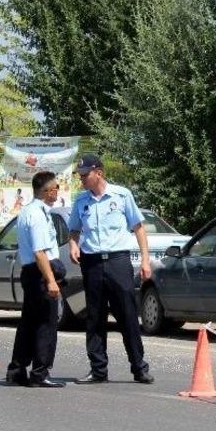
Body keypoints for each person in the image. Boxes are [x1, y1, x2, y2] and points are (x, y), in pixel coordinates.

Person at [67, 154, 155, 385]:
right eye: (80, 176)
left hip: (118, 261)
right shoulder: (80, 201)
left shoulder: (122, 195)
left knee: (127, 315)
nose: (82, 179)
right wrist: (73, 244)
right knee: (95, 317)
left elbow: (139, 228)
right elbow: (74, 230)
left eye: (85, 175)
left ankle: (139, 367)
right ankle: (98, 369)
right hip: (92, 262)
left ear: (99, 172)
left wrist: (145, 260)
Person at [5, 171, 65, 388]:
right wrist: (50, 280)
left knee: (28, 324)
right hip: (40, 273)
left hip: (31, 273)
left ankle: (17, 369)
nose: (57, 191)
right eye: (55, 187)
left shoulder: (27, 211)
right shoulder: (38, 215)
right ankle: (40, 372)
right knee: (45, 325)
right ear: (48, 191)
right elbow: (40, 252)